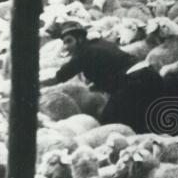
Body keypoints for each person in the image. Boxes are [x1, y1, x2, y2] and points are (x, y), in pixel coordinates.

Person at [41, 21, 170, 134]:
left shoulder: (82, 53)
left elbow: (59, 77)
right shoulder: (99, 43)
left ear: (79, 39)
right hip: (151, 77)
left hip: (136, 83)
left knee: (109, 124)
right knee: (142, 124)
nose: (66, 46)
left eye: (69, 41)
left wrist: (37, 83)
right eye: (64, 43)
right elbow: (110, 67)